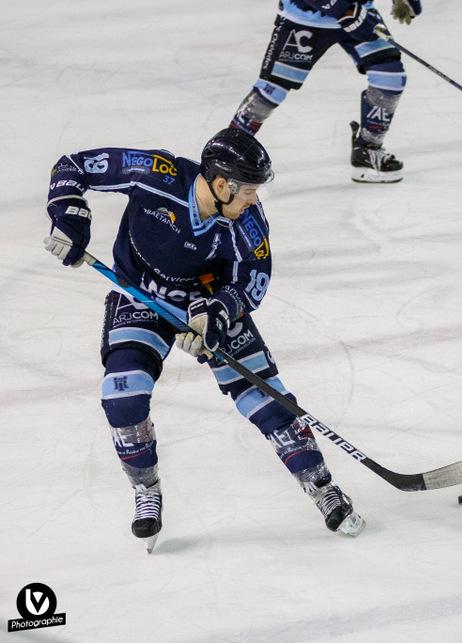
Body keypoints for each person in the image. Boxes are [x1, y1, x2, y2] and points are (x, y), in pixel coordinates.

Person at [43, 129, 365, 552]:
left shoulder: (248, 221)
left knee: (268, 400)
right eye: (247, 190)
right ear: (220, 184)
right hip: (141, 296)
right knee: (122, 397)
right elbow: (72, 166)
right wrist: (69, 215)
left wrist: (215, 313)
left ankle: (321, 486)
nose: (254, 199)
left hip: (207, 303)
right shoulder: (155, 174)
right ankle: (147, 490)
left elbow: (254, 279)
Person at [230, 0, 422, 184]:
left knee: (390, 76)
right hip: (306, 16)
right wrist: (342, 9)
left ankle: (368, 151)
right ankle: (229, 155)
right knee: (272, 89)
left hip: (359, 10)